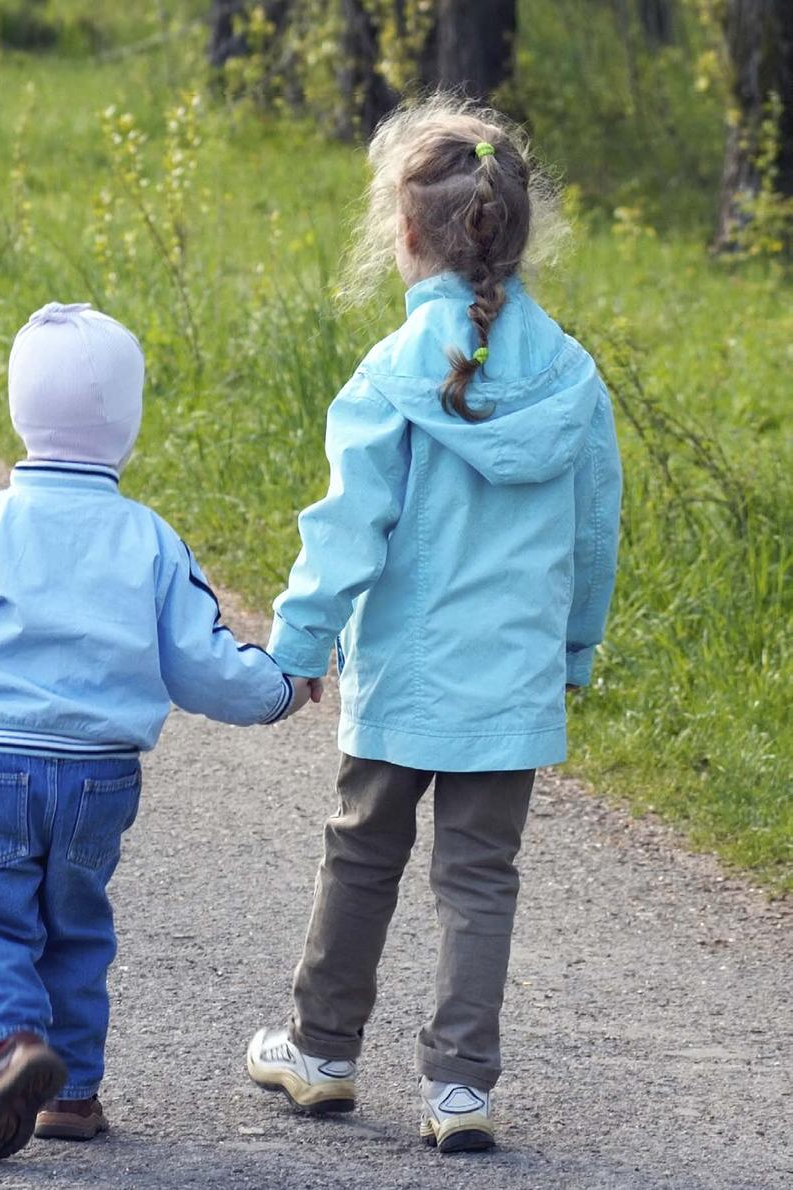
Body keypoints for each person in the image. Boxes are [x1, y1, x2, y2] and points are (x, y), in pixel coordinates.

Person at [246, 96, 622, 1155]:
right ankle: (460, 1088)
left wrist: (298, 642)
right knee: (479, 876)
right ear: (516, 230)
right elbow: (595, 530)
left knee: (361, 851)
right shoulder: (573, 377)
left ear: (406, 232)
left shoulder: (391, 373)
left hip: (403, 680)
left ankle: (320, 1052)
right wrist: (572, 645)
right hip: (510, 683)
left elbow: (346, 529)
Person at [0, 301, 314, 1162]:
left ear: (17, 410)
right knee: (75, 926)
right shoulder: (149, 541)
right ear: (129, 423)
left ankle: (12, 1046)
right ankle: (71, 1093)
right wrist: (280, 691)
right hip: (98, 779)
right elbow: (201, 662)